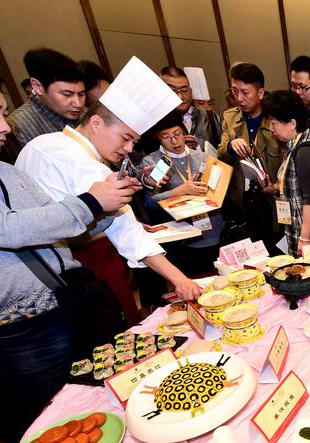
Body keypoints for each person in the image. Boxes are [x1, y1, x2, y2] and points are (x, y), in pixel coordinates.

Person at [0, 58, 137, 443]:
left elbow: (56, 232)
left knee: (110, 407)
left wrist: (108, 210)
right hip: (17, 332)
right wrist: (92, 203)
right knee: (60, 433)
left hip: (70, 303)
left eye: (5, 114)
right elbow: (6, 229)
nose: (5, 126)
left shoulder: (5, 171)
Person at [16, 57, 201, 320]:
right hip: (83, 268)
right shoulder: (89, 166)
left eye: (134, 142)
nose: (128, 149)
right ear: (96, 123)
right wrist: (180, 279)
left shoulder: (42, 143)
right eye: (126, 138)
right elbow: (127, 232)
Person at [140, 110, 222, 276]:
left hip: (213, 229)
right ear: (157, 138)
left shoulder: (203, 157)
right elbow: (149, 203)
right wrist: (176, 192)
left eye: (177, 134)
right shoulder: (154, 163)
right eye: (166, 137)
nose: (174, 141)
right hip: (182, 238)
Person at [217, 62, 283, 254]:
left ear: (260, 93)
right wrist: (231, 146)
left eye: (245, 93)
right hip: (242, 201)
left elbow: (288, 160)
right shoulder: (230, 118)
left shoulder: (275, 118)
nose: (239, 98)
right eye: (235, 91)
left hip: (272, 201)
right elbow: (220, 152)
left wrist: (277, 187)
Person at [266, 90, 310, 256]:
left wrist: (304, 238)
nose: (271, 129)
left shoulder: (305, 153)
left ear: (292, 124)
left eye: (274, 123)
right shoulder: (294, 148)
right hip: (299, 229)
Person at [6, 48, 86, 156]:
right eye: (67, 94)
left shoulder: (86, 113)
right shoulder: (19, 126)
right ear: (38, 86)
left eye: (81, 94)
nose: (78, 104)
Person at [161, 66, 218, 150]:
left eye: (184, 91)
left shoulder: (209, 117)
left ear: (191, 92)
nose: (180, 96)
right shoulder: (156, 124)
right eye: (173, 91)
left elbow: (222, 152)